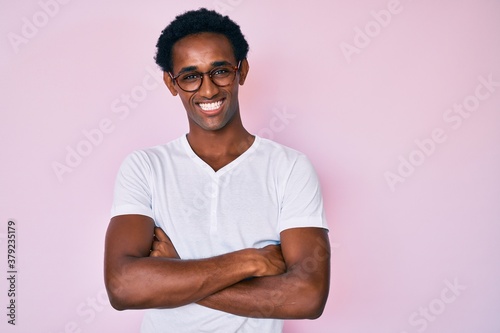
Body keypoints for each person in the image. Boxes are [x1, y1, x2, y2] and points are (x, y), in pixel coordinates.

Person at [104, 8, 330, 333]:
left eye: (220, 71)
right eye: (190, 76)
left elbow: (307, 297)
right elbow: (123, 287)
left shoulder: (290, 168)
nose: (208, 90)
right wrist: (249, 261)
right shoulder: (145, 167)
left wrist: (174, 272)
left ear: (243, 71)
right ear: (171, 83)